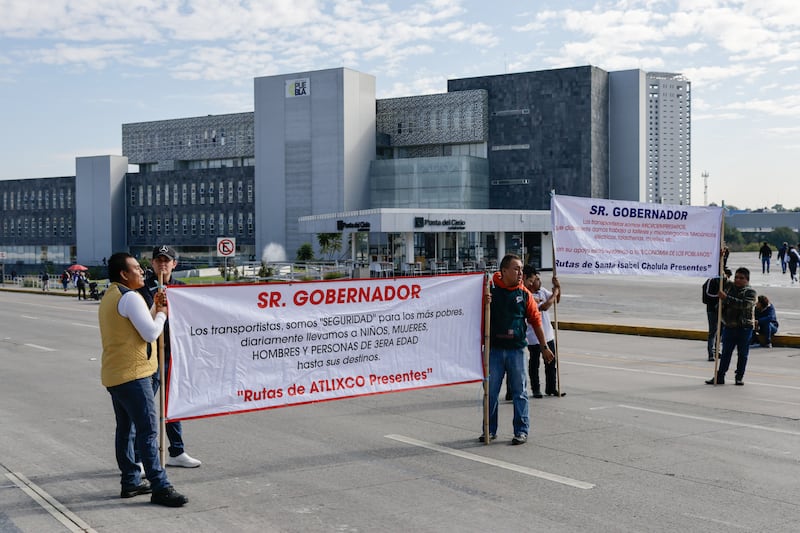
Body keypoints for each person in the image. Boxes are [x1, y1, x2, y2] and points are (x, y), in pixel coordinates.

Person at [99, 252, 188, 507]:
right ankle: (160, 486)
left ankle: (131, 481)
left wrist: (153, 308)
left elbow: (138, 321)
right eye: (137, 269)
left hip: (115, 374)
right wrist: (162, 312)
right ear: (124, 274)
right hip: (134, 375)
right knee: (148, 431)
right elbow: (150, 332)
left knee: (126, 429)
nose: (142, 272)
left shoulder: (112, 295)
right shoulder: (130, 297)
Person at [136, 245, 202, 468]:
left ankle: (177, 450)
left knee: (173, 404)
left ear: (175, 264)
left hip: (174, 354)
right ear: (152, 264)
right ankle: (141, 457)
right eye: (158, 260)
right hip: (150, 354)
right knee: (146, 409)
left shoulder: (182, 289)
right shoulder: (142, 289)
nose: (162, 264)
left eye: (167, 260)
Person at [481, 254, 554, 445]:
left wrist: (544, 346)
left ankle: (521, 431)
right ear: (503, 271)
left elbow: (536, 321)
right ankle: (489, 430)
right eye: (516, 269)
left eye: (521, 268)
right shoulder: (491, 291)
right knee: (491, 392)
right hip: (494, 351)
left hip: (517, 351)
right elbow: (476, 316)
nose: (520, 272)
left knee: (519, 392)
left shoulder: (524, 294)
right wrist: (484, 303)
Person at [706, 267, 756, 386]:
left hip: (744, 328)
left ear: (747, 280)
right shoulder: (729, 287)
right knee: (725, 353)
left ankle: (739, 377)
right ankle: (720, 376)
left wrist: (726, 298)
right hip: (729, 326)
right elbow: (719, 277)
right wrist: (722, 256)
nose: (738, 280)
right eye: (736, 277)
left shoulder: (751, 292)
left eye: (741, 278)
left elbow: (744, 305)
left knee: (743, 354)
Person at [524, 265, 561, 397]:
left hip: (548, 334)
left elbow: (556, 300)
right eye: (537, 279)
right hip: (534, 337)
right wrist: (555, 292)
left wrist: (558, 287)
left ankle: (551, 387)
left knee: (551, 362)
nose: (539, 281)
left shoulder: (542, 292)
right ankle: (536, 389)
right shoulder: (528, 296)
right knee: (534, 364)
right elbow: (545, 306)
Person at [702, 268, 731, 362]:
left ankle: (717, 351)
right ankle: (710, 353)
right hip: (712, 310)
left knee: (720, 332)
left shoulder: (725, 282)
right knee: (713, 332)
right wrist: (719, 297)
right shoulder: (711, 281)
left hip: (722, 310)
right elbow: (707, 294)